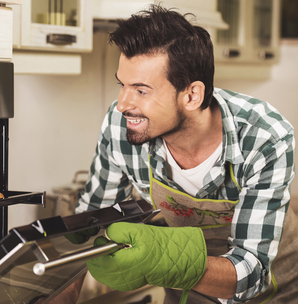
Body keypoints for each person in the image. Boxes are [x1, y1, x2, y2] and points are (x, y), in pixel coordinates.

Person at [76, 4, 298, 304]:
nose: (122, 104)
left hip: (272, 294)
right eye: (122, 85)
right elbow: (89, 223)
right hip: (185, 293)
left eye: (141, 90)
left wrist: (166, 261)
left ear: (191, 95)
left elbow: (252, 270)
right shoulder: (120, 126)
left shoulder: (263, 137)